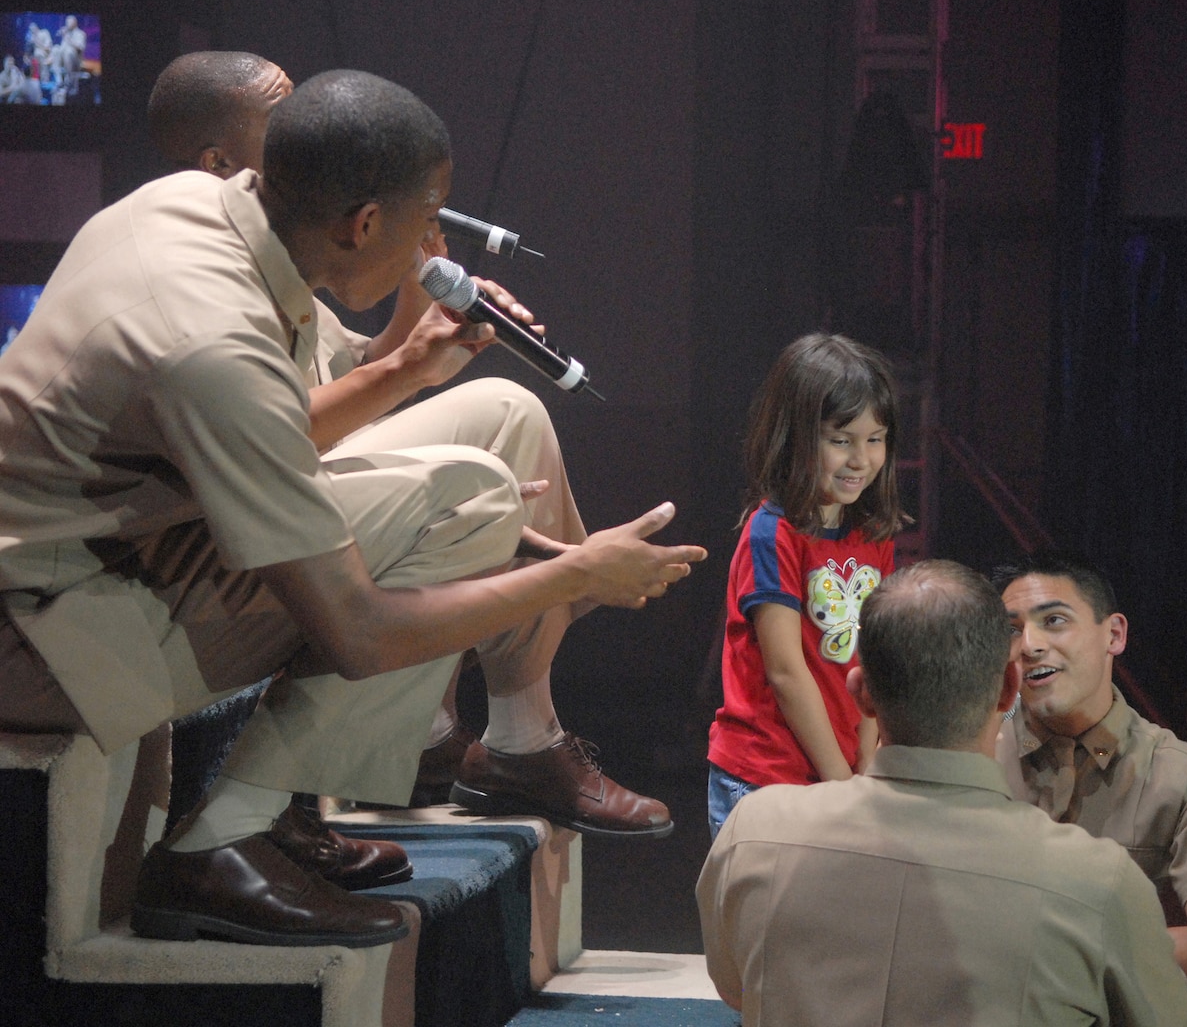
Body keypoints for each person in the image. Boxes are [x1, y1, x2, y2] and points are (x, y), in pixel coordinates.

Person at [0, 68, 706, 948]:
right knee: (469, 502)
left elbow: (303, 406)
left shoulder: (193, 203)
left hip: (133, 539)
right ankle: (217, 849)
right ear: (366, 223)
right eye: (425, 221)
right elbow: (358, 633)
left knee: (497, 423)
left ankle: (511, 741)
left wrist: (416, 363)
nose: (429, 245)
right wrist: (567, 570)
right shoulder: (208, 343)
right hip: (42, 628)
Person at [146, 51, 676, 840]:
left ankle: (521, 740)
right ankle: (331, 781)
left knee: (510, 406)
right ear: (218, 161)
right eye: (281, 122)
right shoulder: (207, 263)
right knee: (475, 490)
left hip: (274, 472)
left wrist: (413, 299)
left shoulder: (270, 235)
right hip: (216, 522)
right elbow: (270, 433)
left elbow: (347, 375)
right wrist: (405, 369)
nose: (305, 132)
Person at [697, 560, 1187, 1026]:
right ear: (1009, 687)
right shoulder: (1101, 884)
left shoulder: (751, 833)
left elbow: (735, 988)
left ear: (861, 692)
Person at [994, 555, 1187, 1027]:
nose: (1030, 645)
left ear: (1113, 635)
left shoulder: (1181, 773)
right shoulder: (975, 747)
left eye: (1054, 620)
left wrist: (1066, 953)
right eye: (1013, 630)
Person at [705, 333, 902, 837]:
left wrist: (865, 765)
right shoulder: (773, 531)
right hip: (766, 777)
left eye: (874, 439)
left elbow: (871, 659)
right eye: (841, 440)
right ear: (797, 437)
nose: (861, 459)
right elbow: (786, 670)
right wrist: (842, 782)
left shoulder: (872, 531)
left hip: (842, 776)